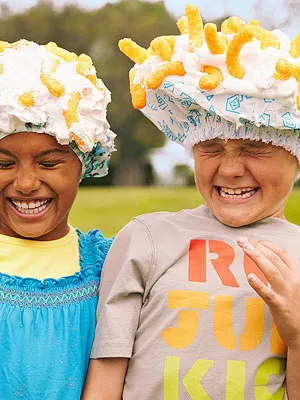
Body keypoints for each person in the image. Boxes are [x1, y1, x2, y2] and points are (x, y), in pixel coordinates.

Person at [82, 5, 300, 400]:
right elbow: (107, 369)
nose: (231, 169)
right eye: (212, 147)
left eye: (255, 148)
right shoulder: (148, 238)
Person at [0, 39, 116, 399]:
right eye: (4, 164)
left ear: (85, 162)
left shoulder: (109, 265)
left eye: (49, 163)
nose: (26, 184)